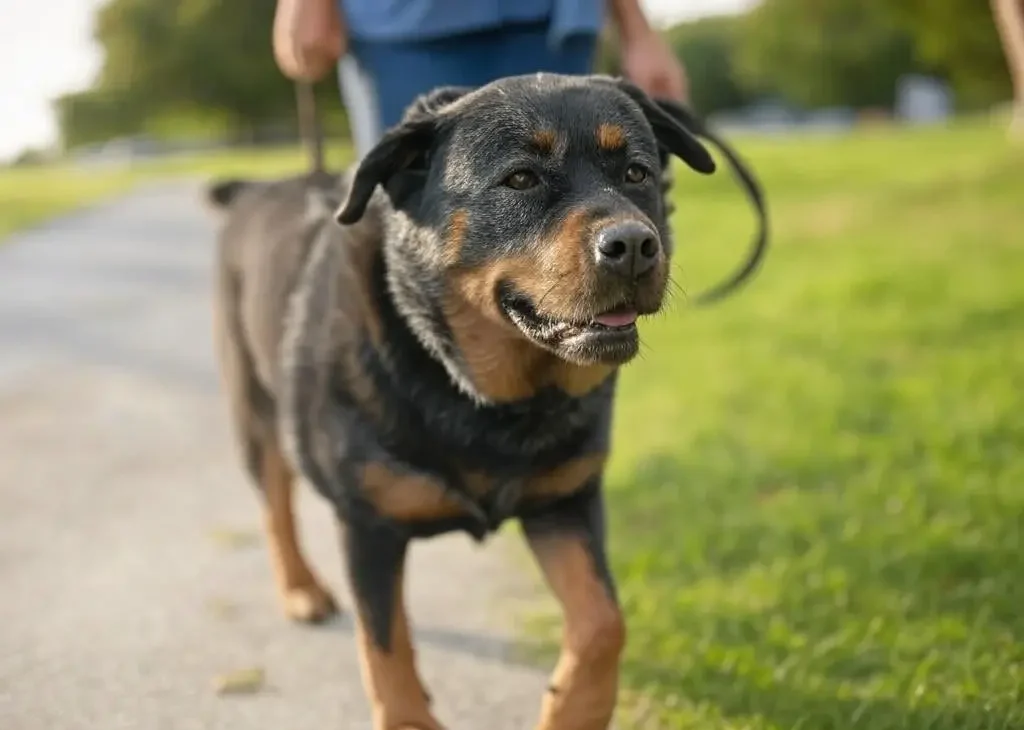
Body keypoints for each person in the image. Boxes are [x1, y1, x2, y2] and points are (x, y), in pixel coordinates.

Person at [272, 0, 690, 157]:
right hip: (405, 29)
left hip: (548, 22)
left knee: (570, 235)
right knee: (408, 239)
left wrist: (637, 28)